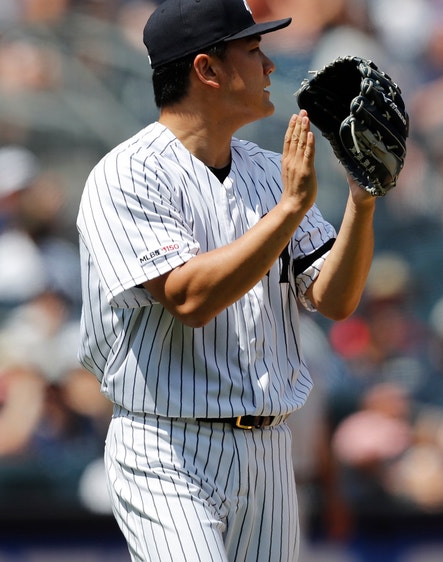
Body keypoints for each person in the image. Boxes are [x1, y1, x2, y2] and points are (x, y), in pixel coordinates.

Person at [75, 1, 381, 560]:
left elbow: (333, 299)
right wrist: (289, 210)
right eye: (253, 50)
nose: (269, 66)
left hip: (269, 451)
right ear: (207, 70)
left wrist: (361, 203)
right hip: (167, 445)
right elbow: (190, 298)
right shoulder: (127, 174)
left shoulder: (267, 170)